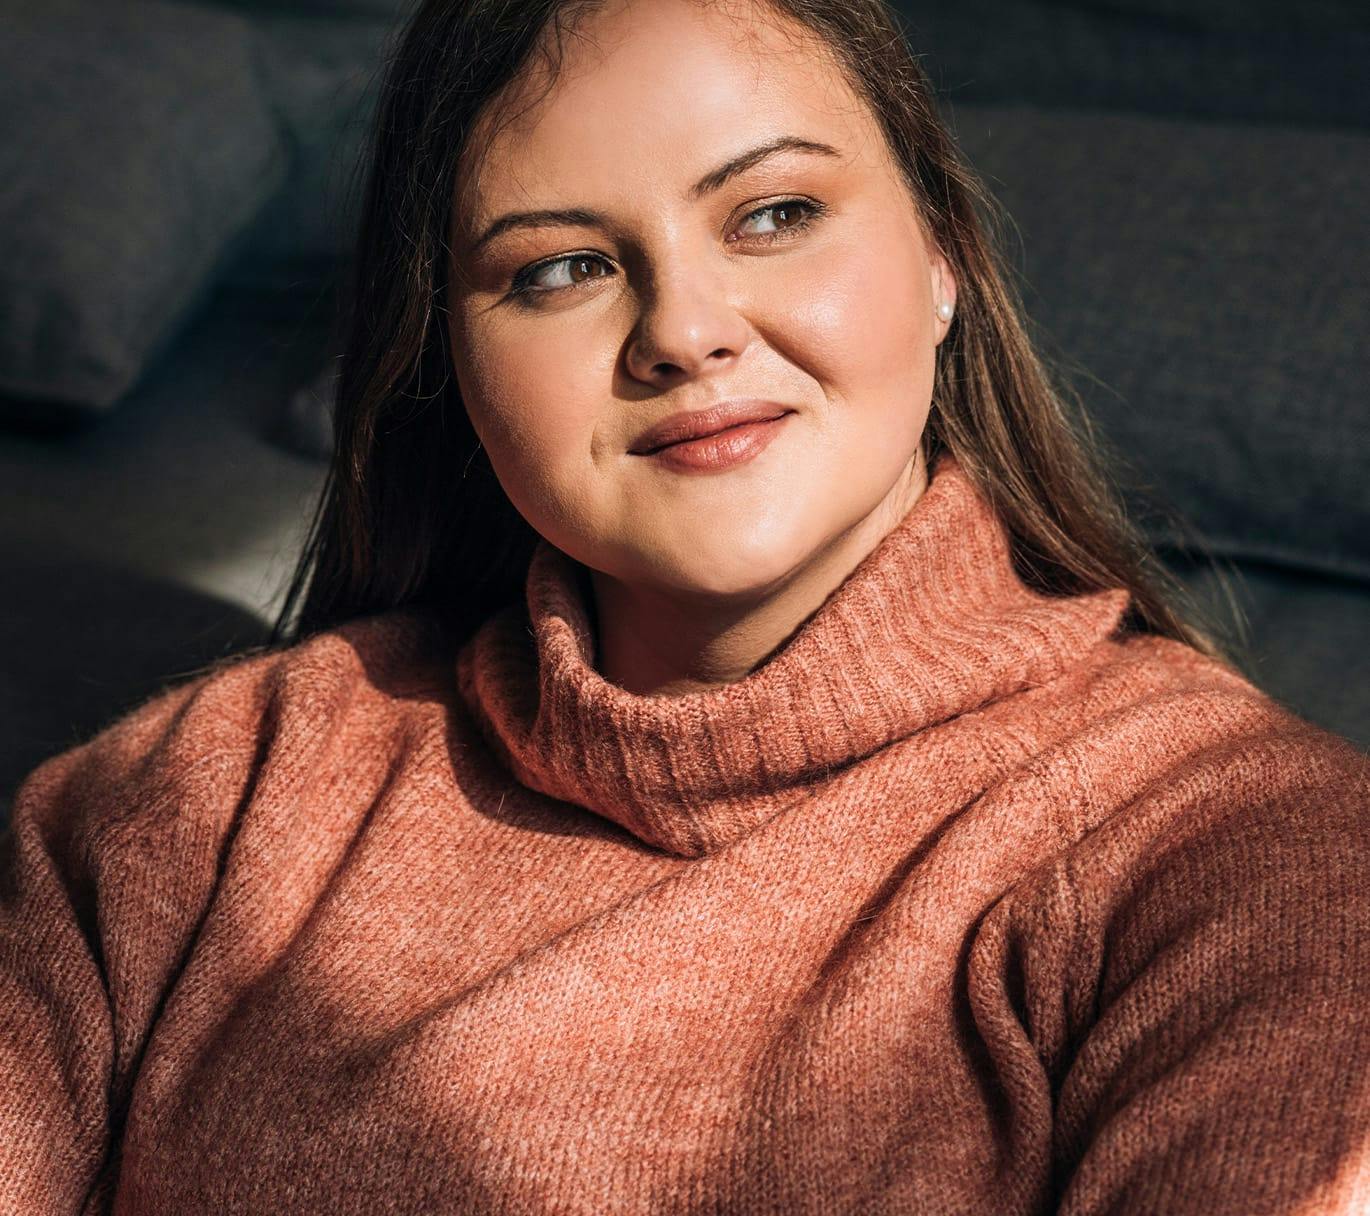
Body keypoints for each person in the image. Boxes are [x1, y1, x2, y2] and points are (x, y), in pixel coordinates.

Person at [2, 0, 1366, 1211]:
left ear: (944, 258)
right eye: (557, 268)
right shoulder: (214, 790)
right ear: (453, 366)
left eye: (772, 214)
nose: (683, 328)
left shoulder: (1235, 854)